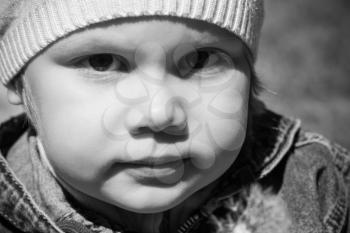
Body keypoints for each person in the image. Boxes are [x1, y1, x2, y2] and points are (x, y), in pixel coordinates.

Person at [0, 0, 349, 233]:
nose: (160, 113)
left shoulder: (309, 185)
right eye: (101, 62)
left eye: (200, 60)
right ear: (18, 80)